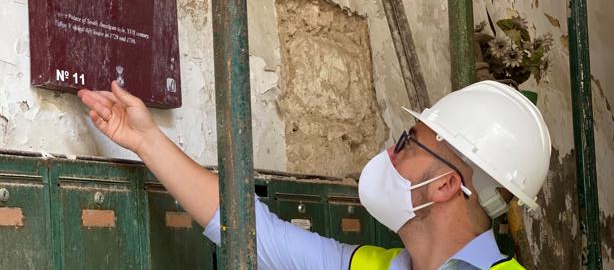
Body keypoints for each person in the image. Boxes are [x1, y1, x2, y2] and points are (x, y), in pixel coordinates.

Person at [78, 80, 550, 270]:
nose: (389, 152)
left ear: (445, 184)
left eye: (408, 142)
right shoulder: (377, 265)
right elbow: (254, 233)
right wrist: (146, 141)